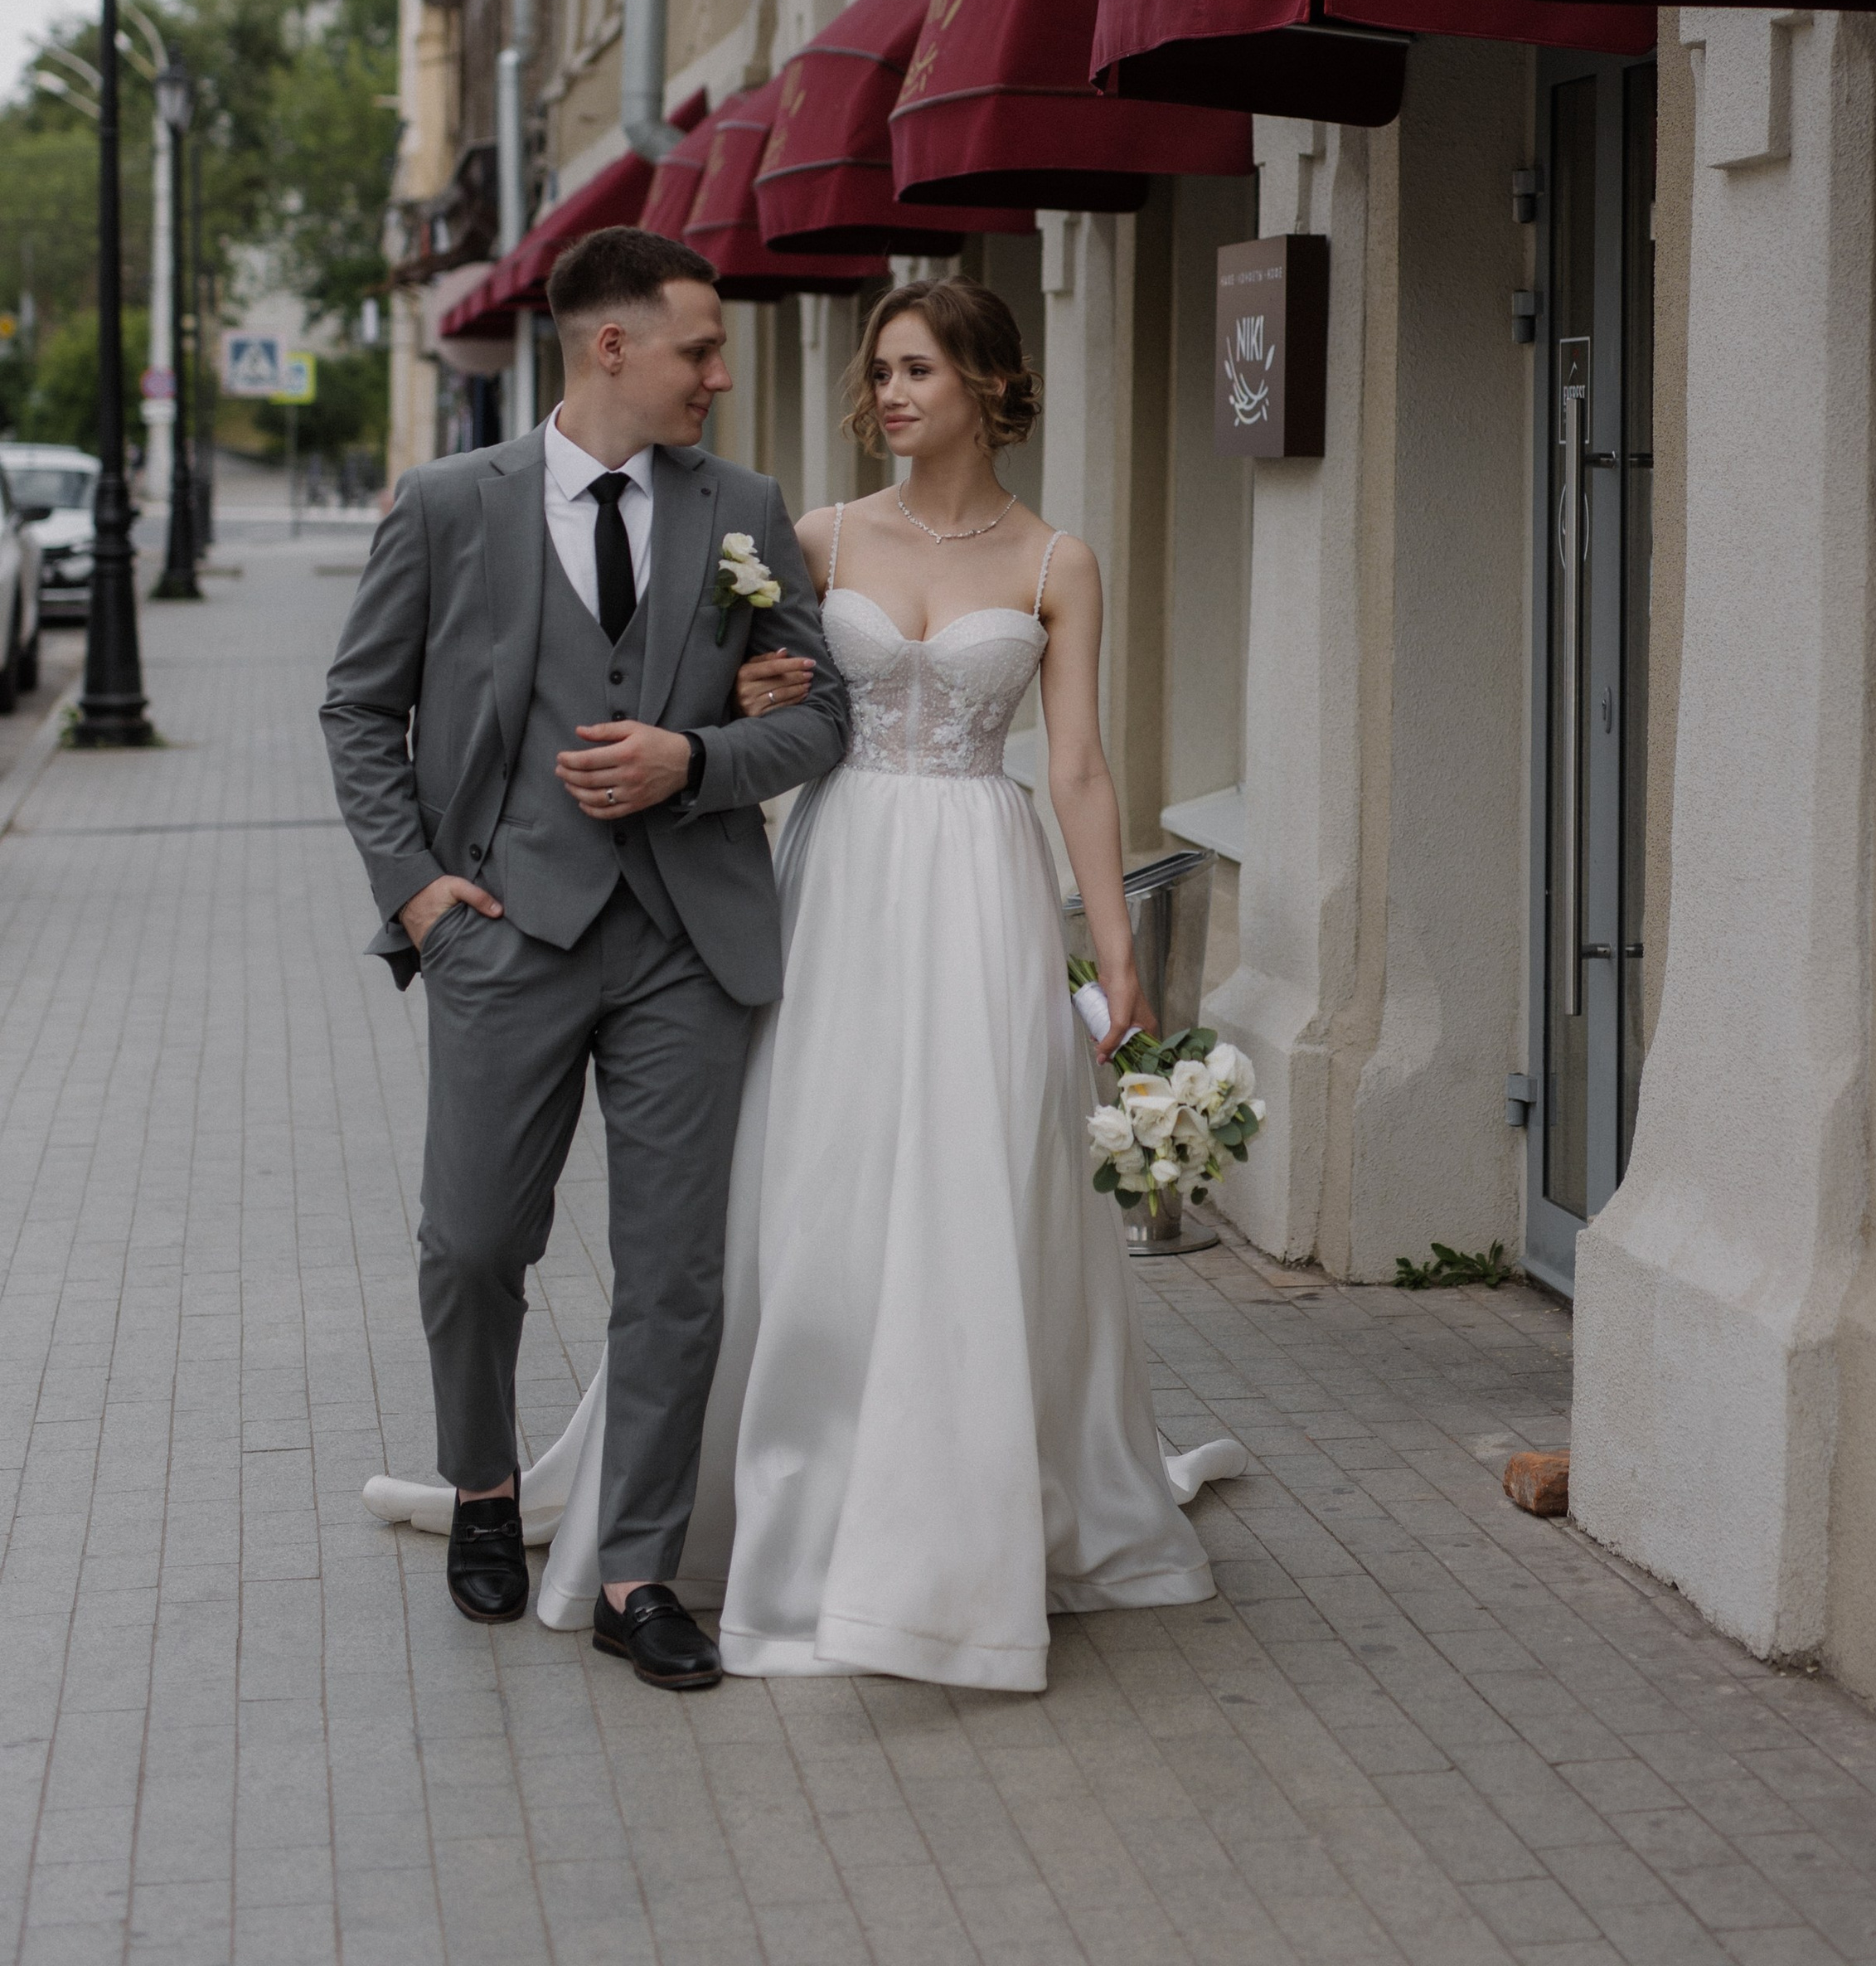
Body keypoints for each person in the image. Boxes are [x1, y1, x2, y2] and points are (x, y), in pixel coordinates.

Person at [362, 275, 1240, 1691]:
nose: (883, 395)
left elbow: (1056, 757)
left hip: (936, 897)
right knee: (641, 1219)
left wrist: (1116, 950)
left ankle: (764, 1543)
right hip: (774, 900)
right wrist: (424, 885)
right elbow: (742, 682)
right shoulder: (794, 531)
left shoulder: (1002, 551)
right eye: (877, 372)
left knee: (891, 1208)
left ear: (989, 386)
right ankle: (532, 1486)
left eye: (912, 372)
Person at [322, 227, 846, 1691]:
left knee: (676, 1271)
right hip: (504, 928)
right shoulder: (446, 505)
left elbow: (822, 724)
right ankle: (483, 1486)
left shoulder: (743, 506)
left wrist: (697, 756)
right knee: (475, 1240)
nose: (721, 377)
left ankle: (634, 1573)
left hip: (691, 939)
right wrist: (419, 891)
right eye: (700, 350)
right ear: (611, 345)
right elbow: (360, 713)